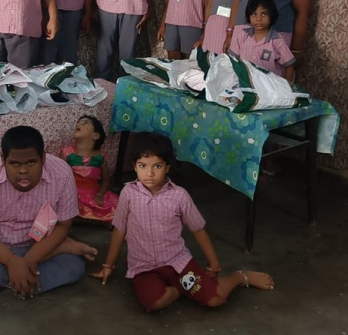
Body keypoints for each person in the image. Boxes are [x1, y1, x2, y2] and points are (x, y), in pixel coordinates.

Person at [91, 133, 274, 312]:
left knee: (215, 300)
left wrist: (214, 264)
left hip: (177, 262)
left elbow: (198, 229)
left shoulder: (179, 196)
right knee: (154, 302)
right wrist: (108, 266)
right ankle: (184, 288)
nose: (150, 173)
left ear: (167, 167)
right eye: (143, 165)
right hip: (143, 267)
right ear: (134, 166)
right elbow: (119, 229)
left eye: (157, 166)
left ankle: (239, 277)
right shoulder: (128, 194)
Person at [0, 125, 97, 303]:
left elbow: (63, 225)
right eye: (15, 163)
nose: (23, 171)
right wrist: (11, 261)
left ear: (43, 158)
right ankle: (39, 264)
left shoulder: (62, 173)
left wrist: (29, 259)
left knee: (73, 268)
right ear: (3, 160)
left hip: (39, 242)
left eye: (31, 162)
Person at [60, 115, 118, 222]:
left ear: (95, 135)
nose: (78, 124)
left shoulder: (101, 157)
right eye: (78, 123)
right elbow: (59, 178)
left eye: (85, 123)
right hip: (72, 194)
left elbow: (105, 180)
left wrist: (100, 194)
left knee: (115, 210)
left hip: (93, 194)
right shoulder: (66, 153)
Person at [229, 0, 296, 81]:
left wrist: (286, 86)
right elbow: (231, 59)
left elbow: (289, 65)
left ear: (271, 15)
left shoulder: (277, 41)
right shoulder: (242, 35)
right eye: (254, 14)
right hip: (245, 83)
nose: (258, 19)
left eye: (263, 14)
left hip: (269, 86)